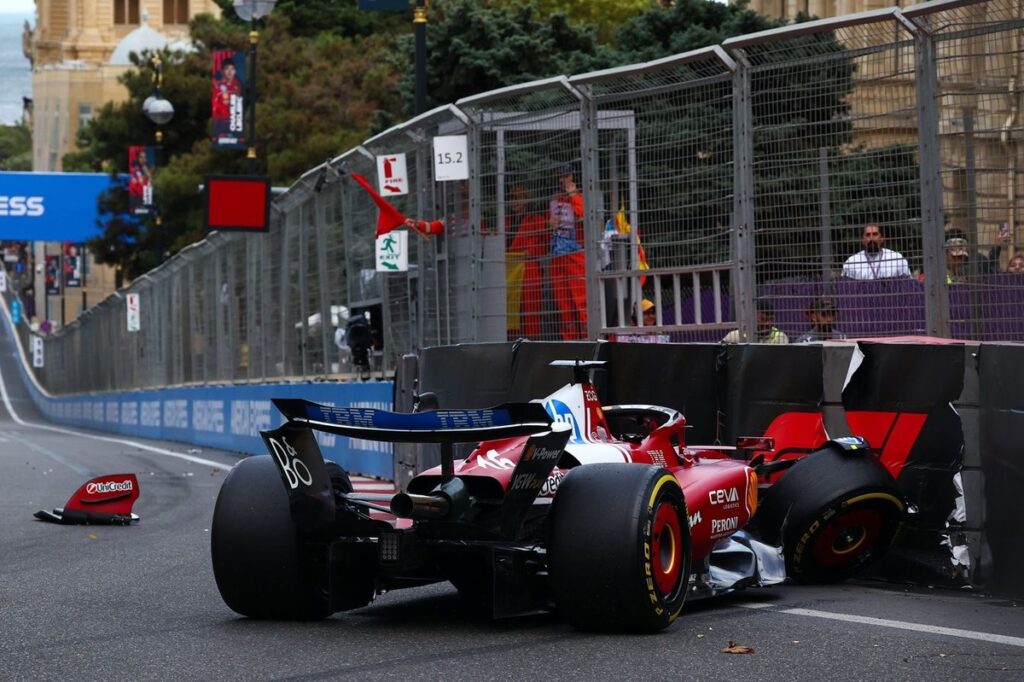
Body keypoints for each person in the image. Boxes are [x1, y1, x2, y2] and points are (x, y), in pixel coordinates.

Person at [549, 165, 587, 340]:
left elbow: (584, 215)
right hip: (558, 256)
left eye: (565, 176)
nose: (562, 180)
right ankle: (570, 341)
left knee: (581, 301)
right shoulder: (555, 200)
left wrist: (573, 195)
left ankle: (588, 338)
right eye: (560, 177)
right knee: (563, 305)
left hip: (576, 255)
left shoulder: (579, 197)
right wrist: (549, 224)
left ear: (571, 177)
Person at [506, 184, 547, 339]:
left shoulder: (536, 219)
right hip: (511, 272)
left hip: (529, 270)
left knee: (530, 313)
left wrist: (530, 253)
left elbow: (544, 246)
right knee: (511, 313)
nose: (515, 202)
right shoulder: (507, 221)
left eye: (518, 199)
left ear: (526, 200)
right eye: (512, 199)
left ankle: (531, 345)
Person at [841, 223, 911, 280]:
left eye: (875, 234)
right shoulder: (851, 262)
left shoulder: (896, 258)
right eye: (868, 235)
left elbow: (908, 284)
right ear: (862, 240)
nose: (871, 238)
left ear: (882, 238)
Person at [722, 299, 789, 344]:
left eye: (771, 319)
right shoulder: (734, 337)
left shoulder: (780, 337)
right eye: (763, 319)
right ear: (752, 318)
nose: (768, 323)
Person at [212, 58, 243, 140]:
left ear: (235, 71)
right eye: (227, 69)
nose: (230, 71)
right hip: (221, 122)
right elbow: (215, 105)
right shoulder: (218, 86)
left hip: (234, 122)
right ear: (222, 71)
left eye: (232, 69)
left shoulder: (238, 85)